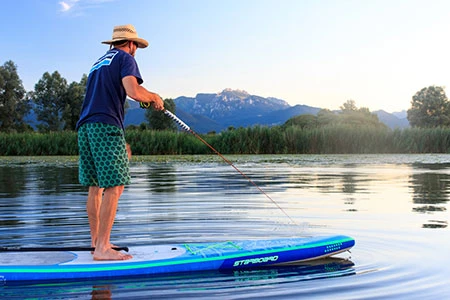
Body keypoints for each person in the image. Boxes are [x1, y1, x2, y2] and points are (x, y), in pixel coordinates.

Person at [76, 24, 164, 261]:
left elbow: (124, 91)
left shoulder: (100, 63)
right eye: (136, 46)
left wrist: (147, 98)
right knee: (115, 186)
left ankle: (97, 241)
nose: (136, 50)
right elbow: (133, 90)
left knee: (96, 186)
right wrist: (154, 98)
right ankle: (103, 248)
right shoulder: (126, 58)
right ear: (131, 44)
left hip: (86, 127)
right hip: (106, 126)